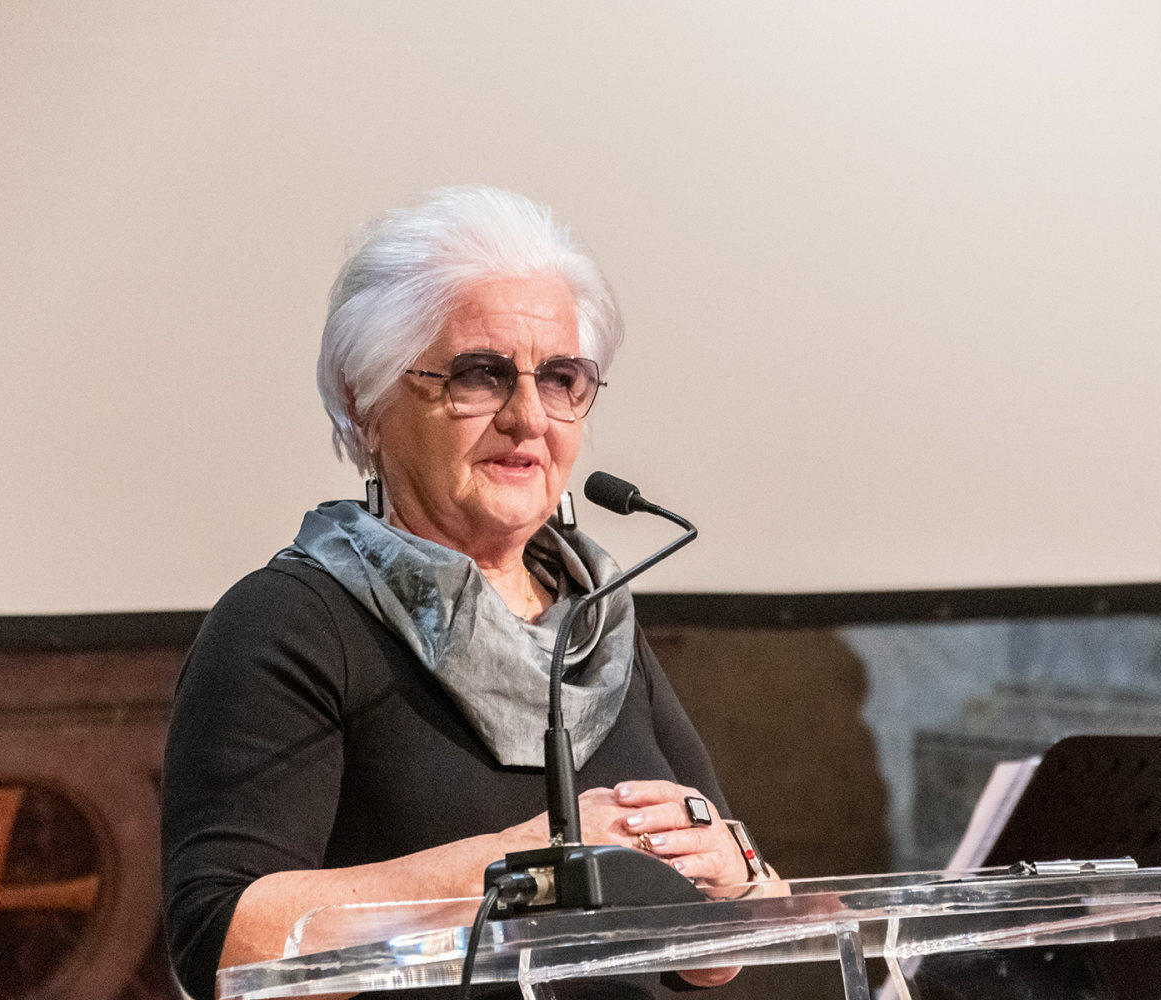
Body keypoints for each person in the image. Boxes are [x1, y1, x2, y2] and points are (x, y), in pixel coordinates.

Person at [160, 186, 766, 1000]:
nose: (529, 418)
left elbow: (714, 956)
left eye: (561, 379)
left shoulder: (595, 620)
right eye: (481, 375)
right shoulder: (290, 623)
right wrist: (529, 867)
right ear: (364, 402)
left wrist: (738, 878)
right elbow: (223, 942)